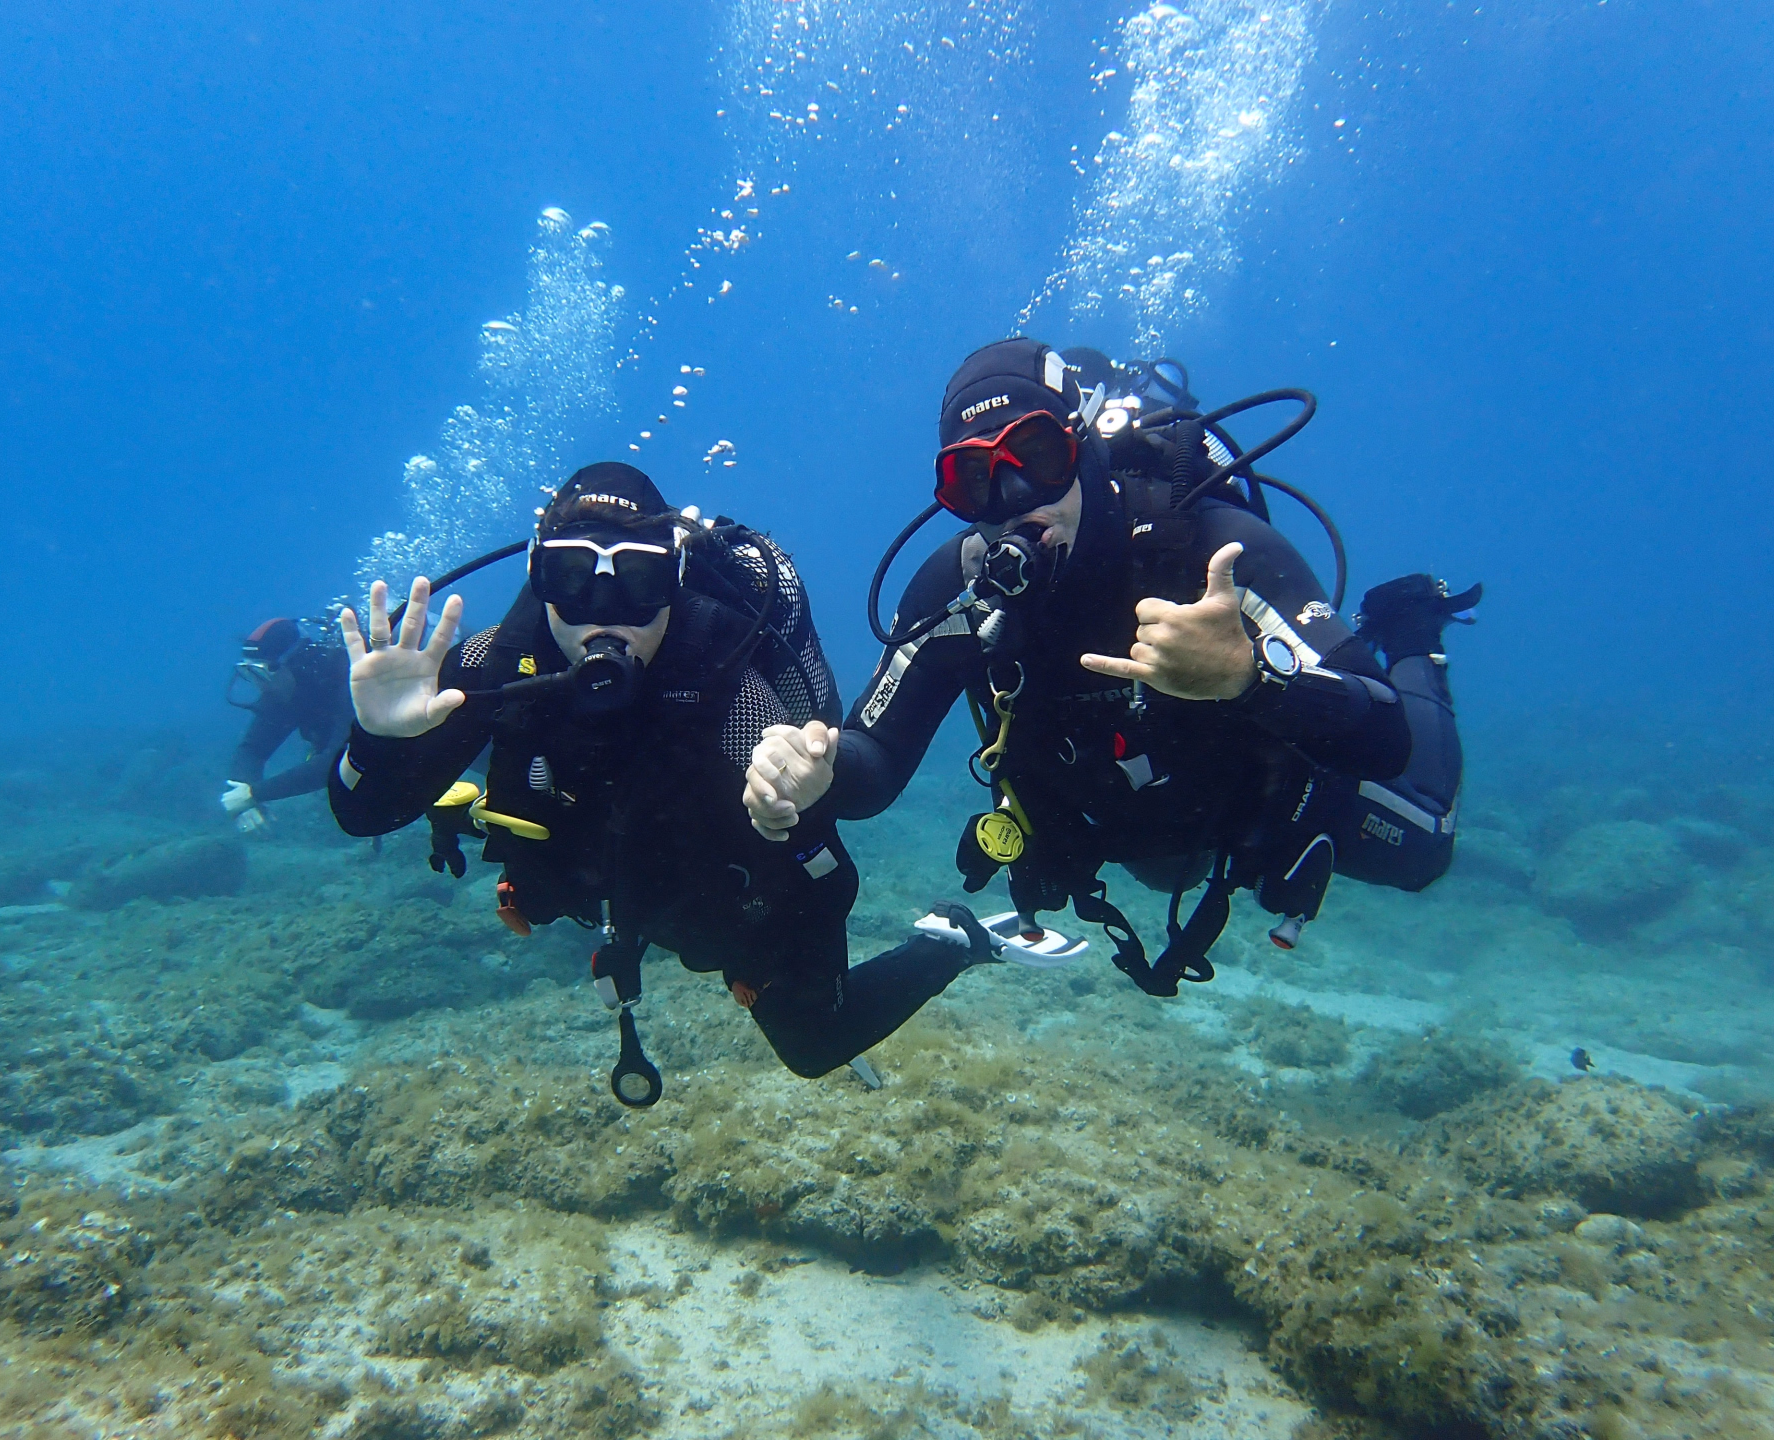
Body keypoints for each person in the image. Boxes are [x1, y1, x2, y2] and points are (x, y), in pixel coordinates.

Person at [745, 338, 1478, 995]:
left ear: (1083, 449)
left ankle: (1413, 629)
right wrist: (821, 771)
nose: (1012, 503)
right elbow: (876, 759)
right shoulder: (962, 588)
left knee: (1425, 848)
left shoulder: (1209, 551)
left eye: (1034, 458)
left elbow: (1384, 739)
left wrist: (1250, 680)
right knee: (1166, 866)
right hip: (1130, 819)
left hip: (1255, 797)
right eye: (974, 481)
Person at [328, 463, 1004, 1103]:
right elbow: (363, 813)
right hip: (619, 882)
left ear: (674, 583)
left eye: (639, 580)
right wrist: (379, 742)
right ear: (541, 581)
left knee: (813, 1043)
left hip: (727, 890)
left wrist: (784, 789)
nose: (605, 612)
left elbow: (781, 774)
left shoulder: (720, 671)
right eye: (571, 575)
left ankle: (951, 941)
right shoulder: (497, 661)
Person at [222, 616, 352, 833]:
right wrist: (243, 790)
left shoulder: (347, 682)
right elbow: (253, 749)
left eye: (260, 672)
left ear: (295, 663)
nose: (259, 686)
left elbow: (339, 763)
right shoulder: (283, 693)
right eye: (248, 673)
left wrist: (253, 795)